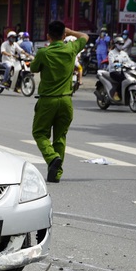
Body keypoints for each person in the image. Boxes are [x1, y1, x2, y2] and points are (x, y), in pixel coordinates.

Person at [29, 20, 88, 183]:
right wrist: (71, 32)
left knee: (39, 133)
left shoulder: (44, 53)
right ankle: (55, 173)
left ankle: (52, 157)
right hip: (66, 101)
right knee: (60, 137)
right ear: (64, 35)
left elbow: (33, 68)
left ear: (48, 36)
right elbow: (85, 36)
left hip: (48, 101)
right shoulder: (71, 49)